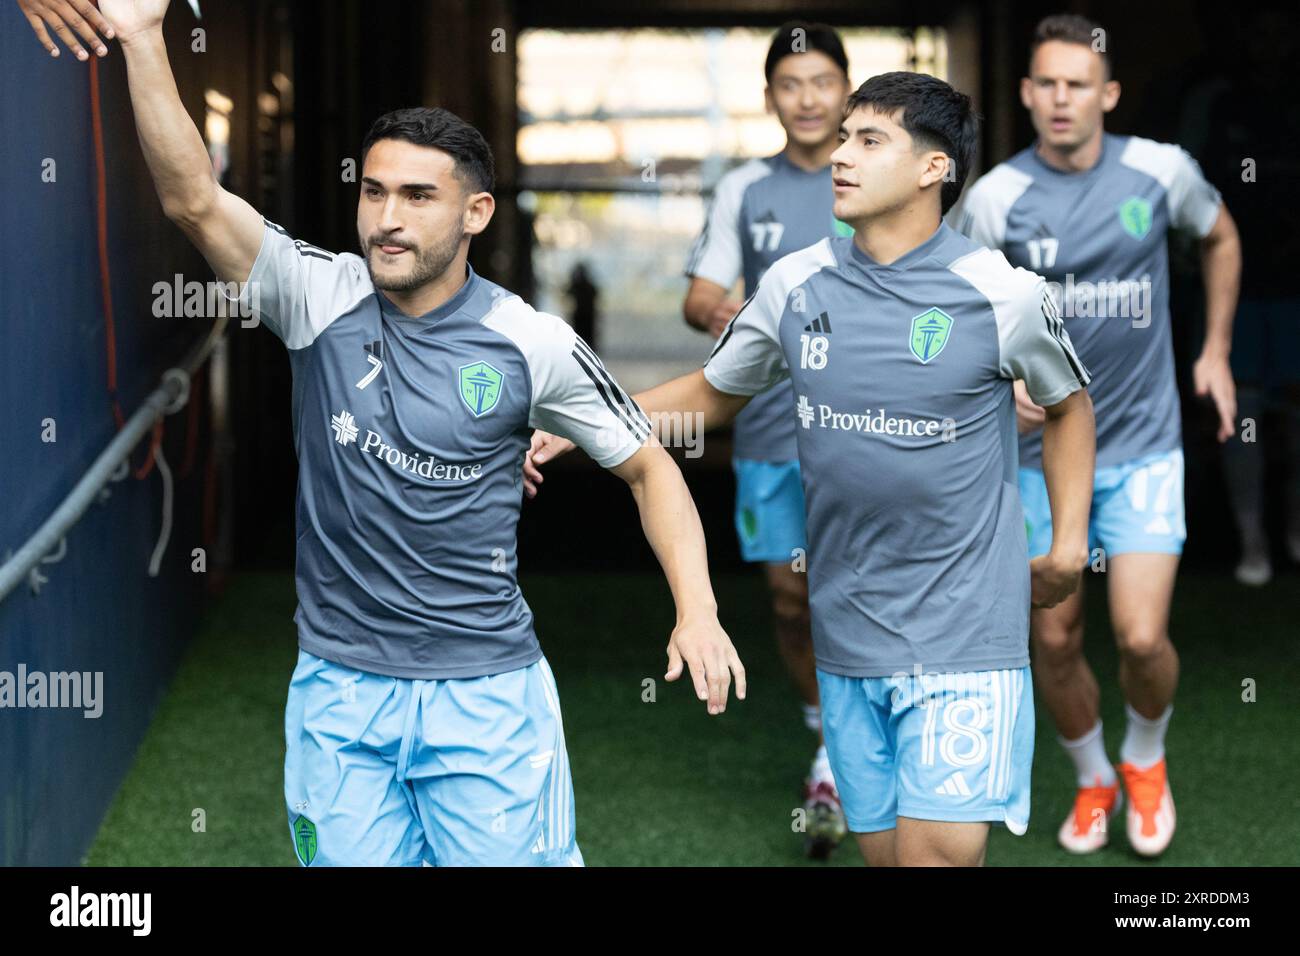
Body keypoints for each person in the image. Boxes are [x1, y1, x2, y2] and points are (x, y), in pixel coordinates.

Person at [60, 0, 744, 866]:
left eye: (419, 196)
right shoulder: (320, 297)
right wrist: (144, 37)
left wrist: (699, 611)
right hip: (339, 697)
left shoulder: (531, 342)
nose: (388, 217)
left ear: (477, 213)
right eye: (374, 191)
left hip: (487, 697)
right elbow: (194, 200)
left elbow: (650, 467)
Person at [530, 71, 1097, 866]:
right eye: (843, 138)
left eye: (871, 141)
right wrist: (585, 421)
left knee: (938, 856)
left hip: (966, 633)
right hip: (850, 632)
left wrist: (1069, 543)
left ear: (935, 169)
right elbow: (711, 394)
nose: (842, 155)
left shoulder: (1002, 294)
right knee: (886, 854)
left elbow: (1068, 404)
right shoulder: (796, 283)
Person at [955, 13, 1240, 857]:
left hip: (1145, 446)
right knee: (1054, 635)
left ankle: (1144, 759)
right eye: (1045, 83)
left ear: (1108, 94)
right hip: (1037, 463)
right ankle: (1091, 777)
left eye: (1078, 84)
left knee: (1143, 637)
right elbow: (962, 313)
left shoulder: (1160, 171)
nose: (1060, 99)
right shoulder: (998, 198)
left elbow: (1220, 236)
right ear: (1025, 93)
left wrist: (1216, 350)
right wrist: (1000, 388)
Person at [681, 19, 852, 859]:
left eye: (823, 81)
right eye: (791, 84)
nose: (809, 98)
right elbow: (700, 297)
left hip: (868, 431)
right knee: (791, 600)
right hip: (771, 434)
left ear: (846, 89)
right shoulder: (744, 188)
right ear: (770, 98)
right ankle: (827, 737)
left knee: (862, 594)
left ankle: (858, 752)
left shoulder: (876, 174)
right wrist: (730, 312)